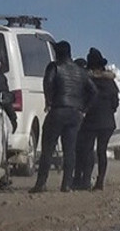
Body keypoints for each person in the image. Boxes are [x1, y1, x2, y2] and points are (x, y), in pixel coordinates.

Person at [29, 41, 98, 193]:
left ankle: (41, 183)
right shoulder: (80, 71)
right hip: (75, 113)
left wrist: (49, 101)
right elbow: (93, 91)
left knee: (48, 148)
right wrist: (84, 109)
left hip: (58, 110)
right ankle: (66, 184)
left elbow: (48, 82)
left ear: (58, 53)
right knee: (70, 149)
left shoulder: (54, 67)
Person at [73, 47, 119, 191]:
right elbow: (115, 103)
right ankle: (100, 181)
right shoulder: (110, 82)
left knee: (88, 150)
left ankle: (85, 180)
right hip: (107, 122)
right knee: (102, 151)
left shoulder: (87, 80)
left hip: (90, 121)